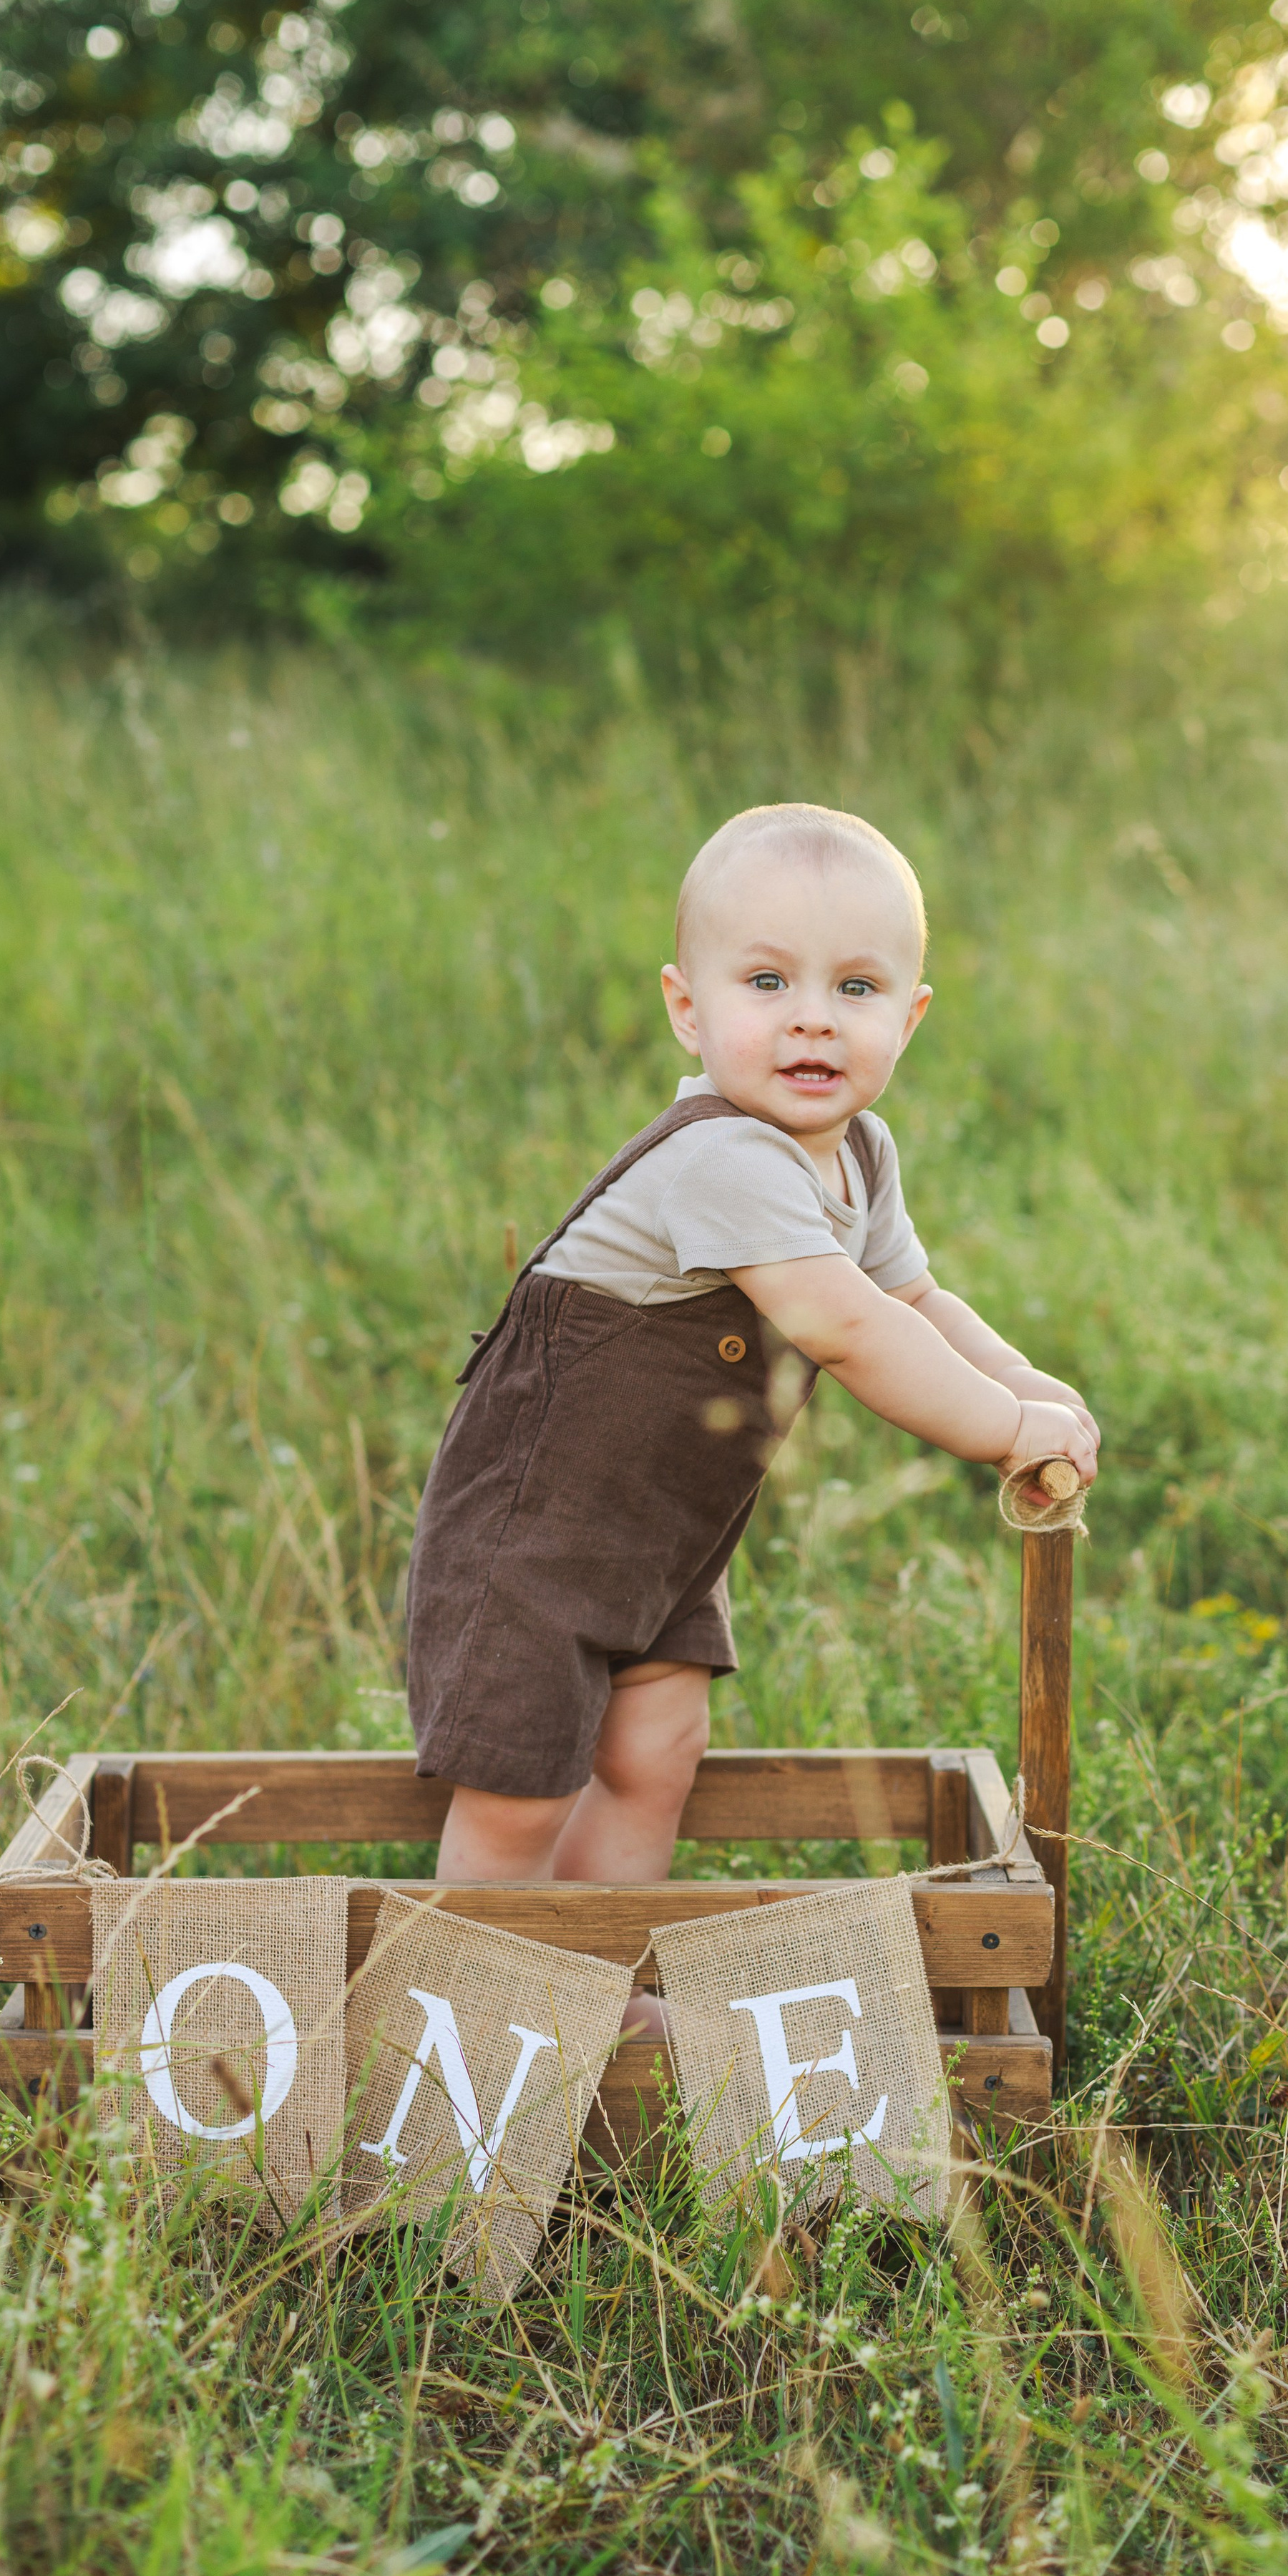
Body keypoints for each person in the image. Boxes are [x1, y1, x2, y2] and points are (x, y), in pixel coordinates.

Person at [405, 803, 1099, 1929]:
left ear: (910, 1020)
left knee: (657, 1752)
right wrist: (997, 1432)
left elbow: (914, 1299)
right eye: (767, 984)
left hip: (659, 1535)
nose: (813, 1023)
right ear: (689, 1008)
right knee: (521, 1786)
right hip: (534, 1528)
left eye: (856, 991)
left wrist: (1032, 1391)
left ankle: (595, 1971)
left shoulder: (859, 1154)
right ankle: (464, 2006)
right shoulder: (725, 1158)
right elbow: (847, 1327)